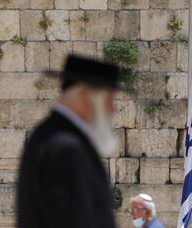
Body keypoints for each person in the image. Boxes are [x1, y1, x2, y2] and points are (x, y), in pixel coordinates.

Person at [17, 55, 124, 228]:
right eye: (109, 99)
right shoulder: (66, 149)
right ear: (86, 96)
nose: (113, 109)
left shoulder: (49, 136)